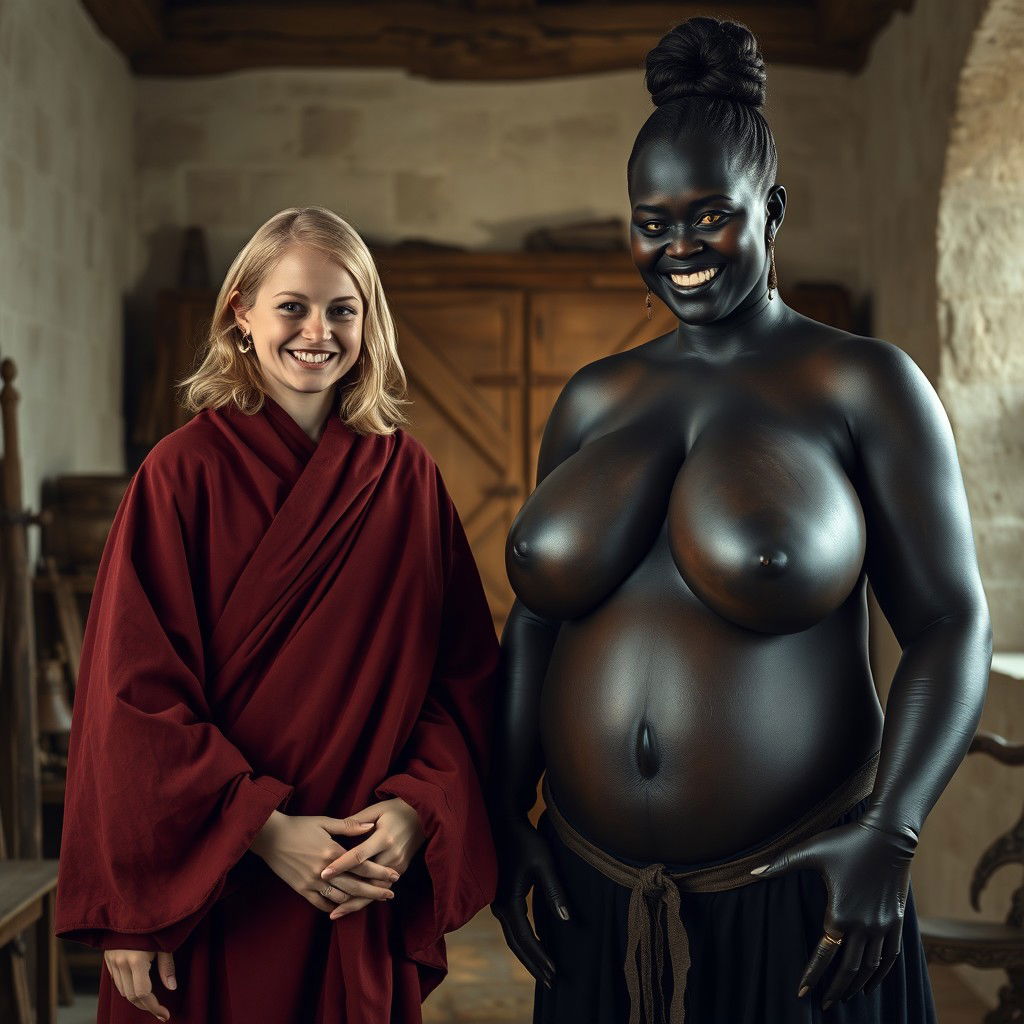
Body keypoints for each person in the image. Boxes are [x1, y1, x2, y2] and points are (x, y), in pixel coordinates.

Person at [491, 17, 991, 1024]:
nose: (676, 247)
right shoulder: (592, 399)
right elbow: (539, 623)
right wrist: (505, 816)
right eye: (650, 219)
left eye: (708, 215)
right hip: (593, 900)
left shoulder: (861, 383)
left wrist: (891, 831)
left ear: (773, 210)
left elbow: (948, 622)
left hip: (798, 902)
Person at [55, 206, 500, 1023]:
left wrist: (415, 808)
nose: (317, 331)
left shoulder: (408, 481)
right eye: (292, 305)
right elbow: (132, 701)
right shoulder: (178, 476)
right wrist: (262, 830)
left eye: (343, 308)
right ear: (242, 315)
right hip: (216, 884)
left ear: (370, 323)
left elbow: (460, 680)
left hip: (356, 883)